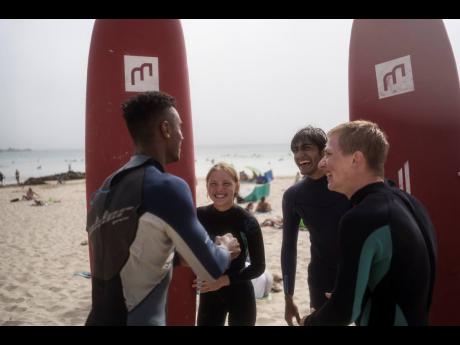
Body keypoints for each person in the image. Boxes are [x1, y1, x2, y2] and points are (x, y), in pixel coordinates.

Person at [85, 91, 241, 326]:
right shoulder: (167, 187)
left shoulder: (104, 190)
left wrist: (179, 257)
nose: (182, 135)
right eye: (179, 127)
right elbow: (210, 267)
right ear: (166, 129)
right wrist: (225, 248)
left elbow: (134, 254)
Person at [302, 120, 437, 326]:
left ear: (356, 159)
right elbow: (403, 281)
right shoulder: (410, 203)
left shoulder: (361, 218)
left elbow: (343, 313)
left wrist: (309, 322)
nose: (321, 164)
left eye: (328, 154)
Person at [281, 126, 351, 326]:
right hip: (321, 276)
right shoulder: (293, 196)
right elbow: (288, 247)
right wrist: (288, 297)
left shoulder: (346, 185)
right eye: (295, 149)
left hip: (355, 272)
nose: (299, 154)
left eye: (306, 147)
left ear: (323, 151)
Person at [195, 162, 265, 326]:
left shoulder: (247, 221)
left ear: (237, 186)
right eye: (213, 183)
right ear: (207, 186)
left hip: (240, 293)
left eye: (226, 183)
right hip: (209, 294)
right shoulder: (198, 216)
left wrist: (221, 281)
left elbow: (258, 266)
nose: (219, 189)